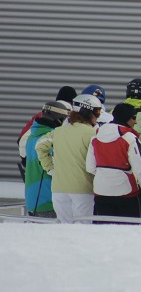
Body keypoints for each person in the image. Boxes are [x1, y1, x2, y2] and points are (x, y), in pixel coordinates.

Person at [35, 94, 101, 223]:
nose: (98, 117)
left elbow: (40, 145)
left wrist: (50, 169)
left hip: (59, 189)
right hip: (83, 189)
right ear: (88, 112)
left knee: (64, 228)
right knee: (83, 229)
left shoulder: (58, 131)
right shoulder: (92, 134)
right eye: (97, 113)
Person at [86, 103, 141, 219]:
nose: (136, 122)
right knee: (128, 230)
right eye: (134, 118)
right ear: (127, 118)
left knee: (103, 232)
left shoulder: (95, 137)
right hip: (126, 191)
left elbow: (90, 167)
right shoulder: (129, 138)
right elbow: (140, 169)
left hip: (101, 189)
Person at [18, 86, 77, 180]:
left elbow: (21, 138)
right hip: (53, 171)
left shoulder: (41, 114)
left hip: (31, 166)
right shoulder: (70, 116)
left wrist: (25, 159)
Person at [24, 101, 70, 217]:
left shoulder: (32, 136)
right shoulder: (50, 138)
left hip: (33, 200)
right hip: (48, 200)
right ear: (59, 119)